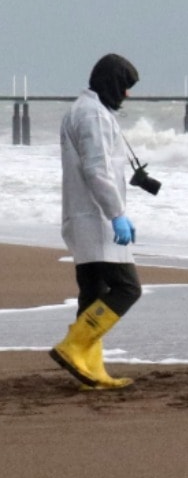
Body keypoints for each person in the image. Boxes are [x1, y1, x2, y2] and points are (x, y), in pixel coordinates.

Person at [50, 53, 142, 390]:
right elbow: (98, 169)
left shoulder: (83, 110)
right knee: (127, 288)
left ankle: (90, 368)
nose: (127, 95)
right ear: (112, 83)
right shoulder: (93, 116)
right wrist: (117, 214)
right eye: (125, 87)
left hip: (83, 216)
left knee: (93, 292)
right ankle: (74, 346)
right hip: (96, 218)